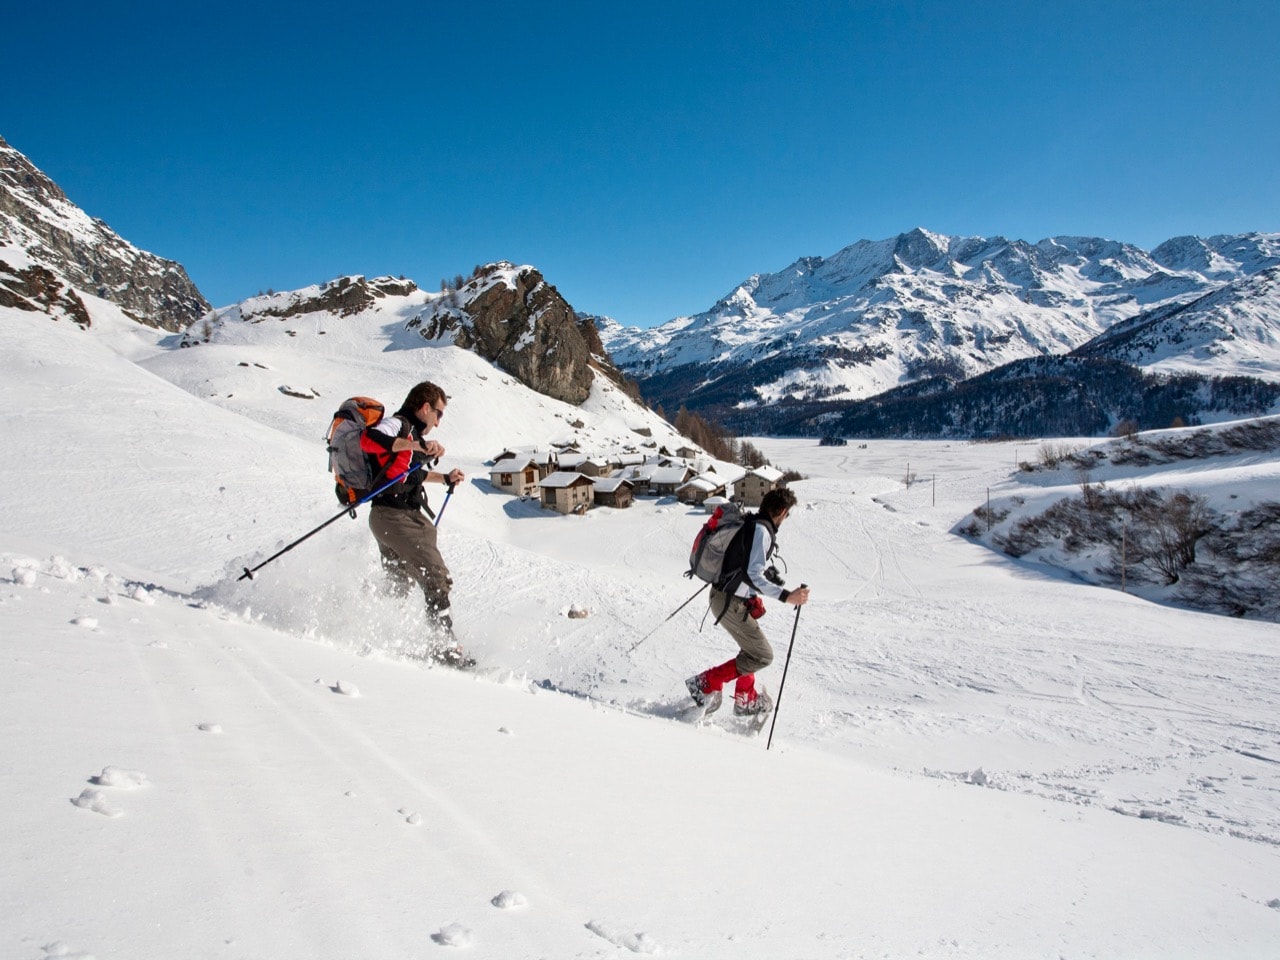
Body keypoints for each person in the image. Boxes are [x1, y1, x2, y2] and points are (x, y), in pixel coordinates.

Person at [359, 381, 470, 664]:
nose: (438, 421)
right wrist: (418, 444)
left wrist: (444, 478)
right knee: (436, 576)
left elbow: (409, 476)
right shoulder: (396, 425)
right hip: (393, 517)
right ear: (425, 408)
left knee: (399, 583)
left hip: (393, 517)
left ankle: (362, 625)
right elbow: (368, 439)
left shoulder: (410, 435)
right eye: (439, 414)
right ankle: (444, 646)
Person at [685, 487, 810, 716]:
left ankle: (744, 695)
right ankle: (707, 684)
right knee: (762, 655)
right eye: (787, 515)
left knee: (751, 650)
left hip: (729, 599)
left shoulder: (753, 525)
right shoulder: (762, 531)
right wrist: (786, 595)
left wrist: (751, 597)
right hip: (728, 602)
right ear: (781, 511)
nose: (786, 519)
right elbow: (752, 574)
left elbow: (743, 567)